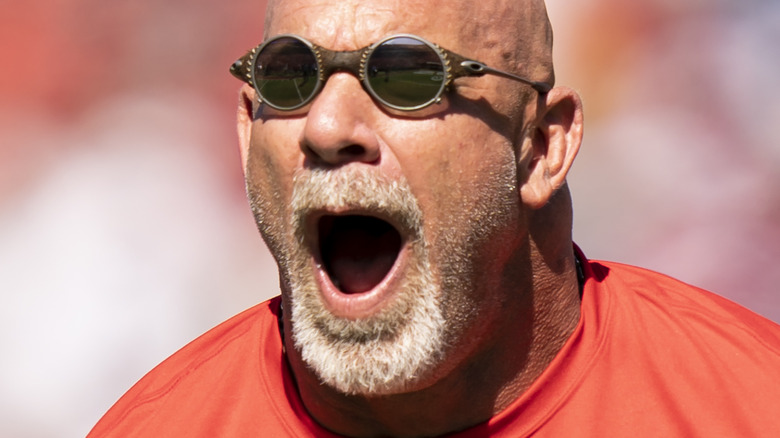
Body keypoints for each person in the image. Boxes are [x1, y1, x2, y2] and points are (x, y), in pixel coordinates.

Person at [89, 0, 780, 436]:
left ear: (543, 144)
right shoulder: (164, 425)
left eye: (409, 76)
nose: (328, 129)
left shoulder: (750, 404)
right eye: (288, 77)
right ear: (246, 133)